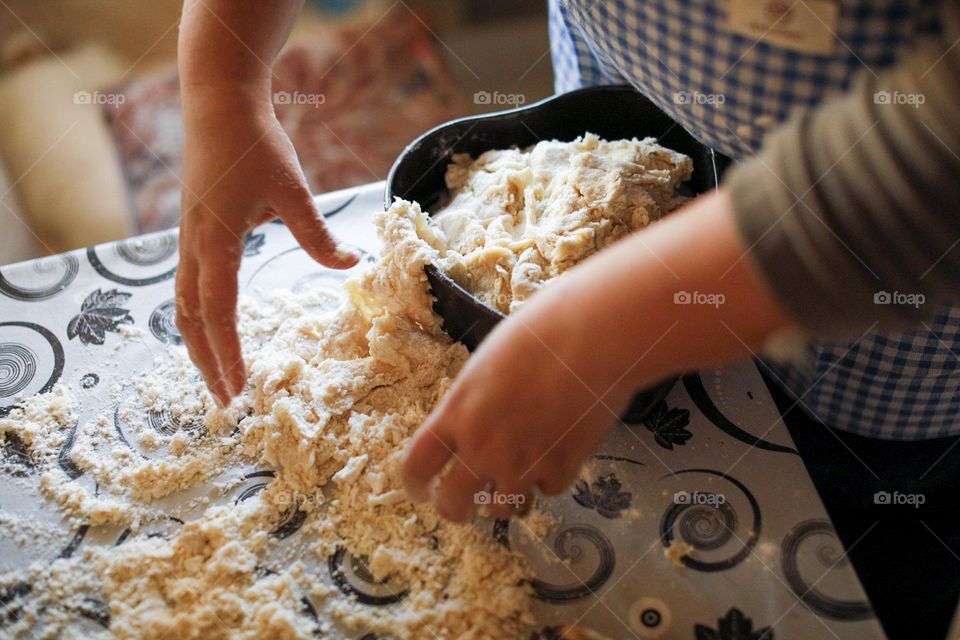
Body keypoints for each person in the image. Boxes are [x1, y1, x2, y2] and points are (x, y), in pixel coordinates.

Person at [177, 1, 960, 637]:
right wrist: (224, 78)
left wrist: (611, 323)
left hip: (871, 352)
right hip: (618, 115)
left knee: (848, 584)